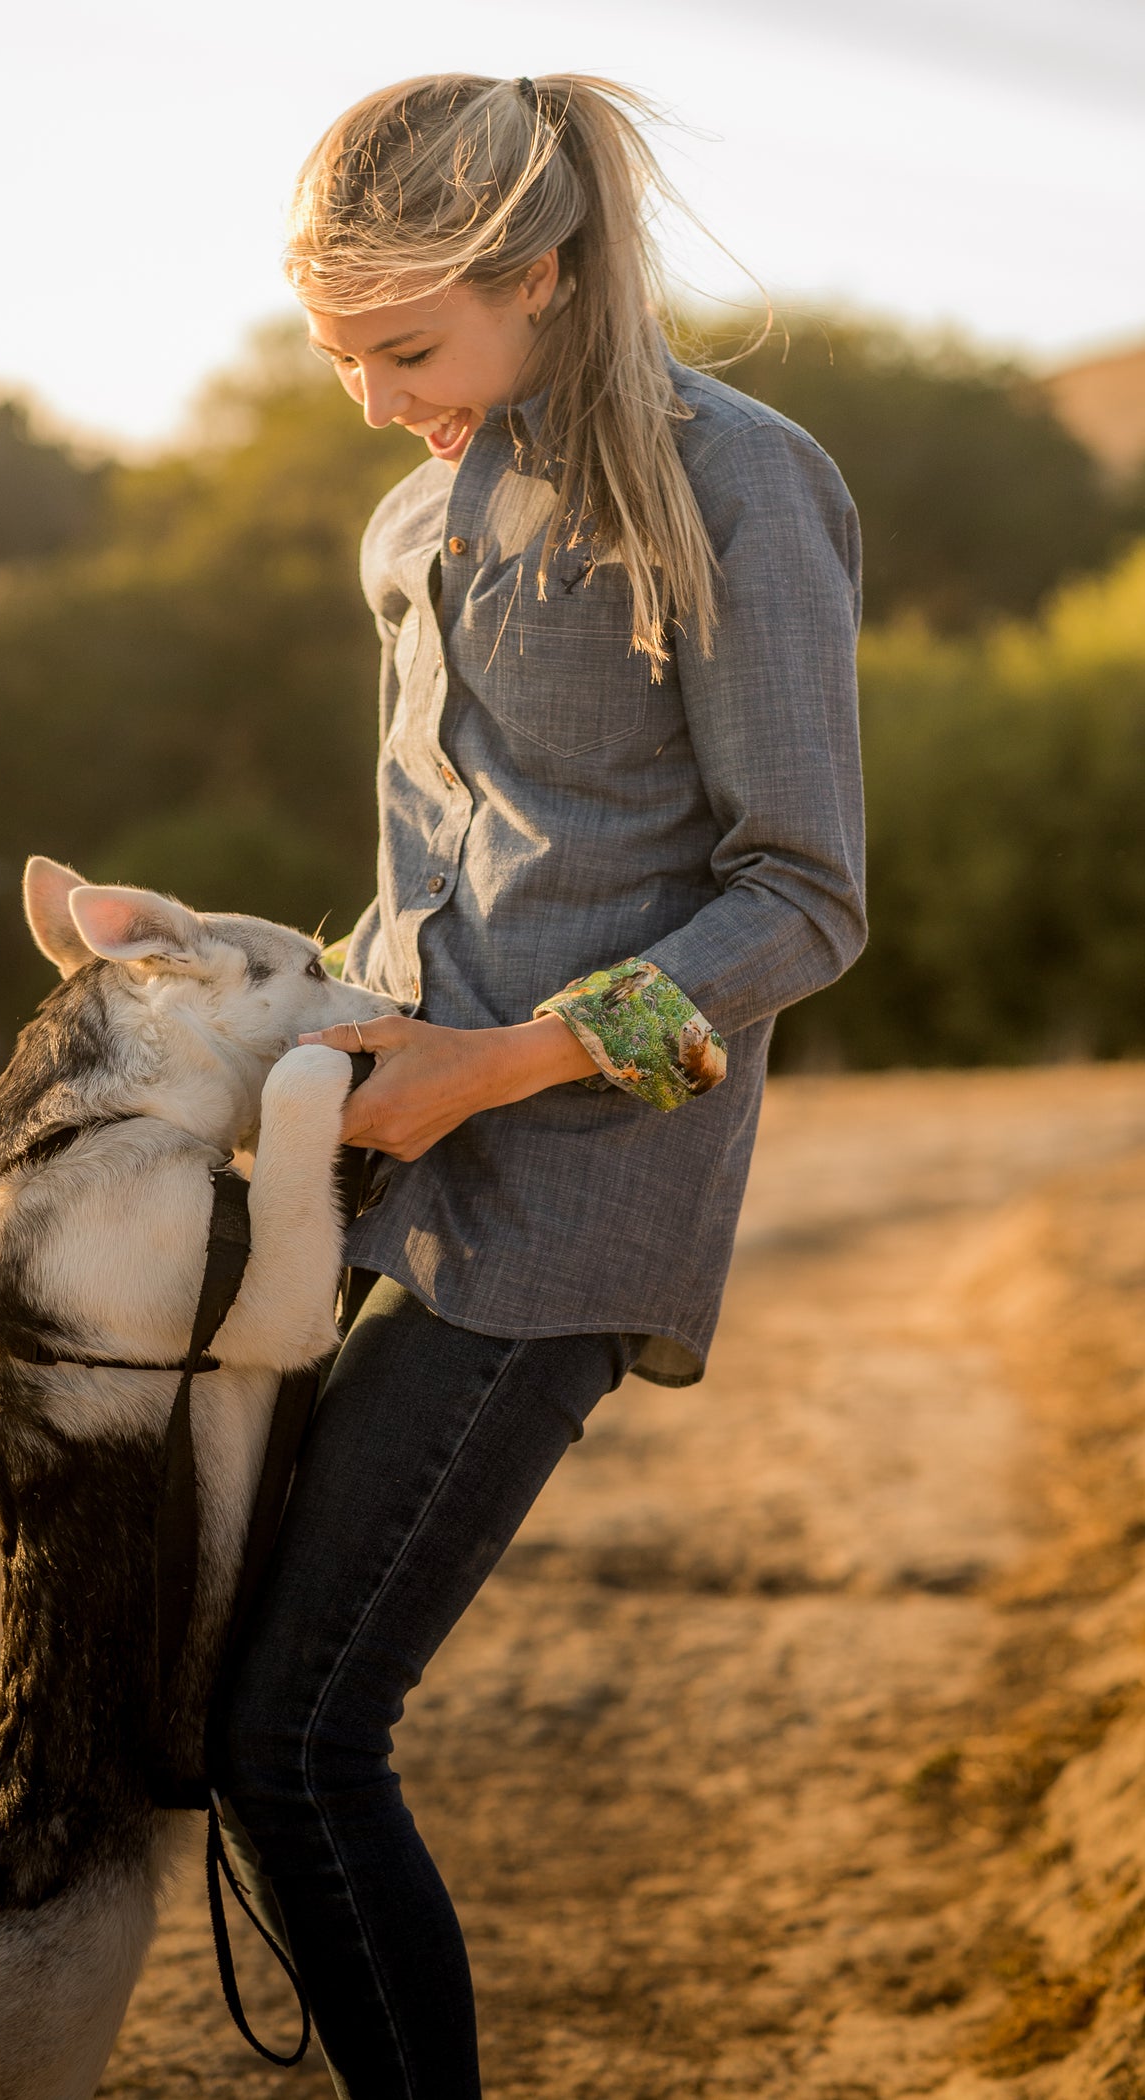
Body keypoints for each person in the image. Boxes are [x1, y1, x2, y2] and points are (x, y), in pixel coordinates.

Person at [219, 72, 866, 2099]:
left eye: (406, 347)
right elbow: (450, 880)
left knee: (295, 1741)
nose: (371, 398)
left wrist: (491, 1069)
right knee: (223, 1695)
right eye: (339, 355)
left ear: (540, 273)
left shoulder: (739, 486)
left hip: (566, 1216)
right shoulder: (410, 515)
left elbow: (802, 906)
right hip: (370, 1177)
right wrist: (262, 990)